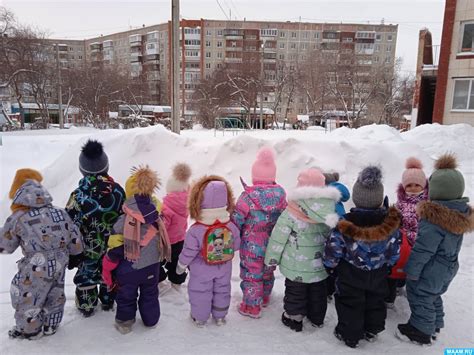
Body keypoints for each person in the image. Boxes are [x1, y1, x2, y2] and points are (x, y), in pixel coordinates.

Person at [397, 154, 473, 345]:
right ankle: (436, 323)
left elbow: (423, 249)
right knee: (433, 294)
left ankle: (420, 331)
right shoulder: (459, 213)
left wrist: (411, 270)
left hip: (431, 268)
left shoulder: (433, 218)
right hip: (448, 267)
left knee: (420, 295)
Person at [324, 166, 401, 348]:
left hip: (351, 273)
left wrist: (330, 264)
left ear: (356, 199)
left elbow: (334, 247)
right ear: (379, 199)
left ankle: (349, 334)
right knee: (375, 300)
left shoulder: (345, 224)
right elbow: (395, 247)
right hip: (379, 272)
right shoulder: (390, 224)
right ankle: (372, 329)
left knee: (350, 302)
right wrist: (390, 264)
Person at [1, 169, 84, 339]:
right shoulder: (60, 212)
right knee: (55, 292)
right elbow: (75, 238)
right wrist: (76, 254)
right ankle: (51, 324)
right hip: (60, 261)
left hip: (36, 266)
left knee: (28, 295)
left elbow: (5, 245)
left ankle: (29, 330)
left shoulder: (19, 217)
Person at [265, 168, 340, 332]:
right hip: (318, 264)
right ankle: (317, 318)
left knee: (295, 291)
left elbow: (279, 236)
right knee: (318, 292)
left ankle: (294, 319)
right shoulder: (328, 211)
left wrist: (271, 258)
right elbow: (332, 237)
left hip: (295, 264)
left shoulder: (291, 211)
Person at [66, 140, 125, 317]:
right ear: (106, 166)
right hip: (113, 246)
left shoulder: (78, 195)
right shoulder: (117, 191)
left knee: (87, 274)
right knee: (111, 270)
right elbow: (124, 216)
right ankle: (108, 299)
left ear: (82, 169)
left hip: (87, 247)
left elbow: (70, 222)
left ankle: (86, 304)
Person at [177, 175, 240, 326]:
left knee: (200, 292)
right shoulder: (230, 225)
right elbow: (236, 245)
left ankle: (200, 317)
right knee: (222, 289)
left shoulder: (196, 229)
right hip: (224, 265)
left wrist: (181, 266)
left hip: (201, 268)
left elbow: (189, 251)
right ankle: (220, 316)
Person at [232, 147, 287, 318]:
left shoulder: (247, 197)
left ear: (255, 176)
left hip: (251, 246)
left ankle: (251, 306)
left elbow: (237, 219)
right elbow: (284, 217)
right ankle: (264, 297)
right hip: (273, 243)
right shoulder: (281, 194)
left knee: (252, 274)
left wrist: (235, 234)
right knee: (267, 272)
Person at [386, 157, 428, 307]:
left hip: (419, 242)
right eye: (409, 185)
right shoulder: (400, 202)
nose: (413, 188)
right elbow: (396, 218)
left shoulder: (427, 203)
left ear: (423, 185)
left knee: (413, 267)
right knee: (399, 263)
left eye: (417, 185)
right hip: (402, 241)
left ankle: (406, 285)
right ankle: (396, 285)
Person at [159, 163, 192, 294]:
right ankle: (177, 281)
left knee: (157, 263)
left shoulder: (166, 207)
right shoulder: (187, 203)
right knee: (176, 263)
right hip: (180, 240)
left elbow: (163, 226)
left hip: (166, 242)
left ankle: (160, 280)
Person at [322, 171, 350, 302]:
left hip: (329, 230)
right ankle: (333, 288)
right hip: (341, 229)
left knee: (329, 261)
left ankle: (328, 290)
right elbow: (346, 195)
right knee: (337, 260)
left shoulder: (326, 193)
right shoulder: (338, 195)